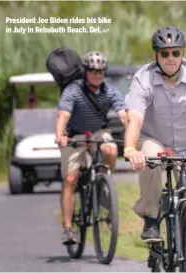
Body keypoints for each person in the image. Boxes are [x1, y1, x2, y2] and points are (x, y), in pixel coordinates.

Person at [124, 26, 186, 244]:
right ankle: (151, 218)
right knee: (151, 156)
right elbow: (134, 117)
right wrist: (129, 148)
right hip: (155, 141)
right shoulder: (143, 78)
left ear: (183, 53)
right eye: (164, 53)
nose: (170, 58)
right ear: (157, 54)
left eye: (176, 52)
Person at [55, 51, 127, 245]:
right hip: (75, 136)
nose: (97, 75)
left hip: (98, 133)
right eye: (93, 71)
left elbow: (123, 114)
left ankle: (104, 182)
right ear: (86, 71)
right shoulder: (73, 90)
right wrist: (60, 135)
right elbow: (63, 115)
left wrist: (133, 134)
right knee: (70, 179)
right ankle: (68, 229)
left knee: (110, 150)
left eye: (101, 72)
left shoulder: (110, 91)